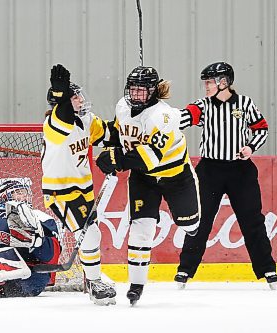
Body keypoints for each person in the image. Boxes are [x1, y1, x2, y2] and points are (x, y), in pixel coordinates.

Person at [96, 66, 200, 305]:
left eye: (142, 91)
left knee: (190, 225)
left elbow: (149, 157)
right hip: (144, 179)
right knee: (141, 229)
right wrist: (108, 145)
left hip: (176, 177)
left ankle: (186, 220)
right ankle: (136, 284)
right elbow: (117, 132)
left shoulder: (163, 116)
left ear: (153, 91)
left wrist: (115, 159)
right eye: (133, 89)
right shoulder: (123, 105)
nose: (136, 95)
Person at [175, 62, 277, 289]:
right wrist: (165, 116)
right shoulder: (203, 105)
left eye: (209, 82)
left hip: (240, 171)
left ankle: (267, 269)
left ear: (224, 82)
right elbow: (183, 118)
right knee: (199, 221)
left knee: (252, 220)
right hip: (210, 170)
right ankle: (185, 270)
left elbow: (261, 128)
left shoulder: (245, 103)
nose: (206, 86)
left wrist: (250, 147)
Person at [42, 64, 116, 306]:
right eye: (75, 97)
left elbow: (111, 134)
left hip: (83, 191)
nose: (81, 100)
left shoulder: (87, 121)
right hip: (61, 193)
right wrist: (60, 91)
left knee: (91, 234)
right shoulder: (56, 124)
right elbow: (63, 111)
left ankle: (94, 278)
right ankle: (94, 283)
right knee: (91, 234)